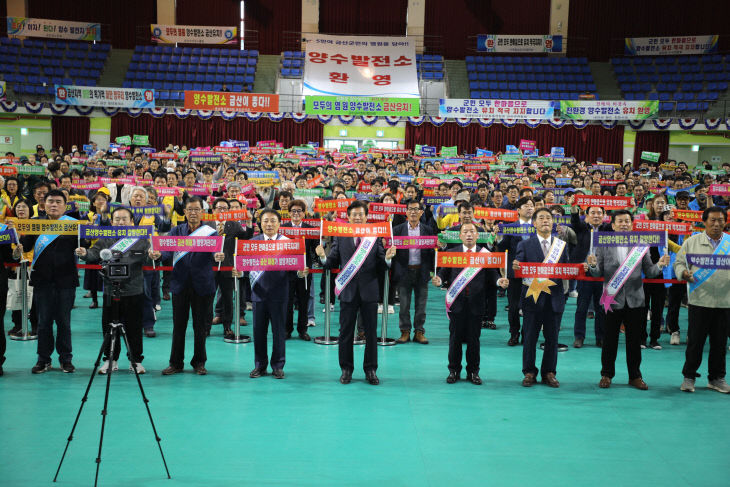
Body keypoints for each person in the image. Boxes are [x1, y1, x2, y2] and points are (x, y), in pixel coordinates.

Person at [586, 210, 669, 390]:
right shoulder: (603, 244)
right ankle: (606, 375)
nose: (624, 224)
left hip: (636, 300)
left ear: (632, 224)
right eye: (620, 221)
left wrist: (660, 264)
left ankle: (635, 376)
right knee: (609, 340)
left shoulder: (641, 244)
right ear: (613, 225)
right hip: (611, 299)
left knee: (634, 341)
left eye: (627, 221)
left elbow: (651, 271)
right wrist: (592, 264)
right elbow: (597, 272)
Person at [316, 200, 396, 385]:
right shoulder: (340, 237)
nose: (358, 217)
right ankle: (346, 369)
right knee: (345, 332)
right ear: (349, 217)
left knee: (370, 333)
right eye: (354, 215)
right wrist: (322, 256)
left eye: (361, 214)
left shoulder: (374, 236)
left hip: (369, 291)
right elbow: (331, 262)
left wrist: (388, 259)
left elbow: (381, 263)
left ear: (366, 217)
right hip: (348, 291)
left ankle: (371, 370)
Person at [76, 207, 156, 374]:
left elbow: (149, 258)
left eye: (124, 219)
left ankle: (136, 360)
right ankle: (110, 360)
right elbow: (93, 254)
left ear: (132, 222)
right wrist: (84, 253)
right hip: (110, 290)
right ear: (111, 222)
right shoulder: (105, 239)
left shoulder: (141, 240)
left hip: (134, 289)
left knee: (134, 327)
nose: (121, 222)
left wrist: (154, 255)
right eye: (117, 219)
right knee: (108, 327)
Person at [432, 223, 508, 384]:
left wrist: (499, 281)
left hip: (477, 303)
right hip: (456, 302)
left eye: (472, 231)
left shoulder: (485, 254)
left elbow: (493, 274)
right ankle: (453, 370)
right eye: (465, 231)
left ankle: (473, 372)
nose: (468, 234)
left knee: (474, 339)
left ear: (477, 235)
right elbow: (443, 273)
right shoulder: (451, 253)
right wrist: (438, 280)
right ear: (460, 236)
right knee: (455, 339)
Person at [159, 196, 225, 376]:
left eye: (197, 209)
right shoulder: (176, 231)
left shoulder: (211, 232)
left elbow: (215, 253)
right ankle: (175, 363)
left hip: (203, 285)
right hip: (180, 284)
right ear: (185, 212)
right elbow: (166, 252)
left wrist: (218, 256)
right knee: (178, 325)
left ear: (202, 212)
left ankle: (199, 362)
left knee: (200, 326)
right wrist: (156, 253)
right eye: (190, 210)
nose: (193, 213)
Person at [15, 190, 79, 374]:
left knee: (64, 322)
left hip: (66, 280)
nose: (54, 204)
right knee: (43, 322)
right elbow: (26, 247)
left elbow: (84, 245)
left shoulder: (73, 225)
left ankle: (66, 359)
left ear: (65, 206)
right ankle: (43, 359)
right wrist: (18, 242)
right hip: (42, 280)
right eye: (50, 201)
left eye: (58, 202)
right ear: (44, 204)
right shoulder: (35, 223)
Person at [246, 209, 308, 379]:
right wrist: (239, 271)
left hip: (280, 294)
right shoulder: (252, 243)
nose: (269, 224)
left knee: (279, 332)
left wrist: (300, 273)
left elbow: (294, 268)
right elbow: (245, 267)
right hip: (258, 293)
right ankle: (260, 366)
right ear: (260, 223)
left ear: (280, 224)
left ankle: (278, 366)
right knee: (259, 332)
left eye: (273, 221)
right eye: (265, 221)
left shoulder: (287, 244)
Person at [674, 206, 730, 393]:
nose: (716, 224)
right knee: (695, 342)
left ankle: (717, 378)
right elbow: (679, 262)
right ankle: (689, 377)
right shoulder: (692, 242)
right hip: (699, 300)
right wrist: (683, 273)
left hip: (725, 301)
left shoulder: (729, 242)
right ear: (704, 221)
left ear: (725, 222)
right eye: (712, 220)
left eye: (720, 220)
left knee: (720, 343)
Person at [514, 208, 569, 388]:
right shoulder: (525, 244)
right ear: (534, 223)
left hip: (555, 297)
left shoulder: (561, 245)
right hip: (533, 296)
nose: (545, 220)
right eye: (541, 218)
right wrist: (516, 266)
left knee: (552, 338)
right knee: (530, 337)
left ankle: (549, 372)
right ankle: (529, 371)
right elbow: (518, 268)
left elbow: (567, 269)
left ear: (552, 223)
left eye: (548, 218)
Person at [392, 199, 435, 344]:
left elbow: (431, 252)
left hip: (421, 272)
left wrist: (438, 247)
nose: (413, 212)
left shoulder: (427, 230)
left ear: (421, 212)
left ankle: (419, 332)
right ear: (406, 212)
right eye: (410, 209)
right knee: (404, 305)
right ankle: (405, 332)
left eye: (416, 209)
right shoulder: (397, 230)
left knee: (421, 305)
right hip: (404, 272)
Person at [570, 205, 611, 348]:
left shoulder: (608, 229)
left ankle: (601, 337)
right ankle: (579, 337)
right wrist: (574, 208)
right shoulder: (582, 228)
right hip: (585, 272)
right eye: (592, 213)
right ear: (586, 215)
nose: (596, 215)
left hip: (602, 273)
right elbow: (574, 221)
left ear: (604, 215)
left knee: (601, 307)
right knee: (582, 306)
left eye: (599, 213)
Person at [208, 198, 249, 340]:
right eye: (219, 208)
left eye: (225, 208)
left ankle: (227, 326)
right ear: (213, 210)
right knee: (207, 297)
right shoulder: (206, 225)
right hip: (209, 267)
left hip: (228, 267)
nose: (222, 211)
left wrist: (248, 223)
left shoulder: (234, 225)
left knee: (227, 299)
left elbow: (245, 238)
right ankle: (206, 327)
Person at [497, 196, 535, 346]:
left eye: (532, 205)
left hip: (533, 272)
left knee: (530, 306)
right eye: (526, 205)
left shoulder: (538, 227)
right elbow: (502, 247)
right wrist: (499, 236)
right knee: (513, 306)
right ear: (518, 210)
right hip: (514, 272)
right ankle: (514, 333)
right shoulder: (511, 227)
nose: (530, 208)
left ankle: (527, 334)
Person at [281, 199, 316, 341]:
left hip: (304, 270)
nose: (296, 213)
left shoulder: (309, 229)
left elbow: (314, 249)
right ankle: (286, 330)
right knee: (287, 302)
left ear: (304, 213)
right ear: (289, 213)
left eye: (299, 211)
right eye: (293, 211)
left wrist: (314, 261)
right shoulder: (282, 228)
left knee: (303, 301)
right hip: (286, 271)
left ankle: (303, 330)